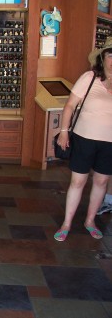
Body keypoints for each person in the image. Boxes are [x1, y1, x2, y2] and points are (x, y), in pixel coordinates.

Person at [54, 37, 112, 242]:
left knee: (102, 180)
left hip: (110, 143)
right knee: (78, 181)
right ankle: (66, 223)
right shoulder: (89, 77)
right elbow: (70, 105)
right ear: (102, 58)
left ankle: (90, 220)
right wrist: (63, 131)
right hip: (84, 138)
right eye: (110, 54)